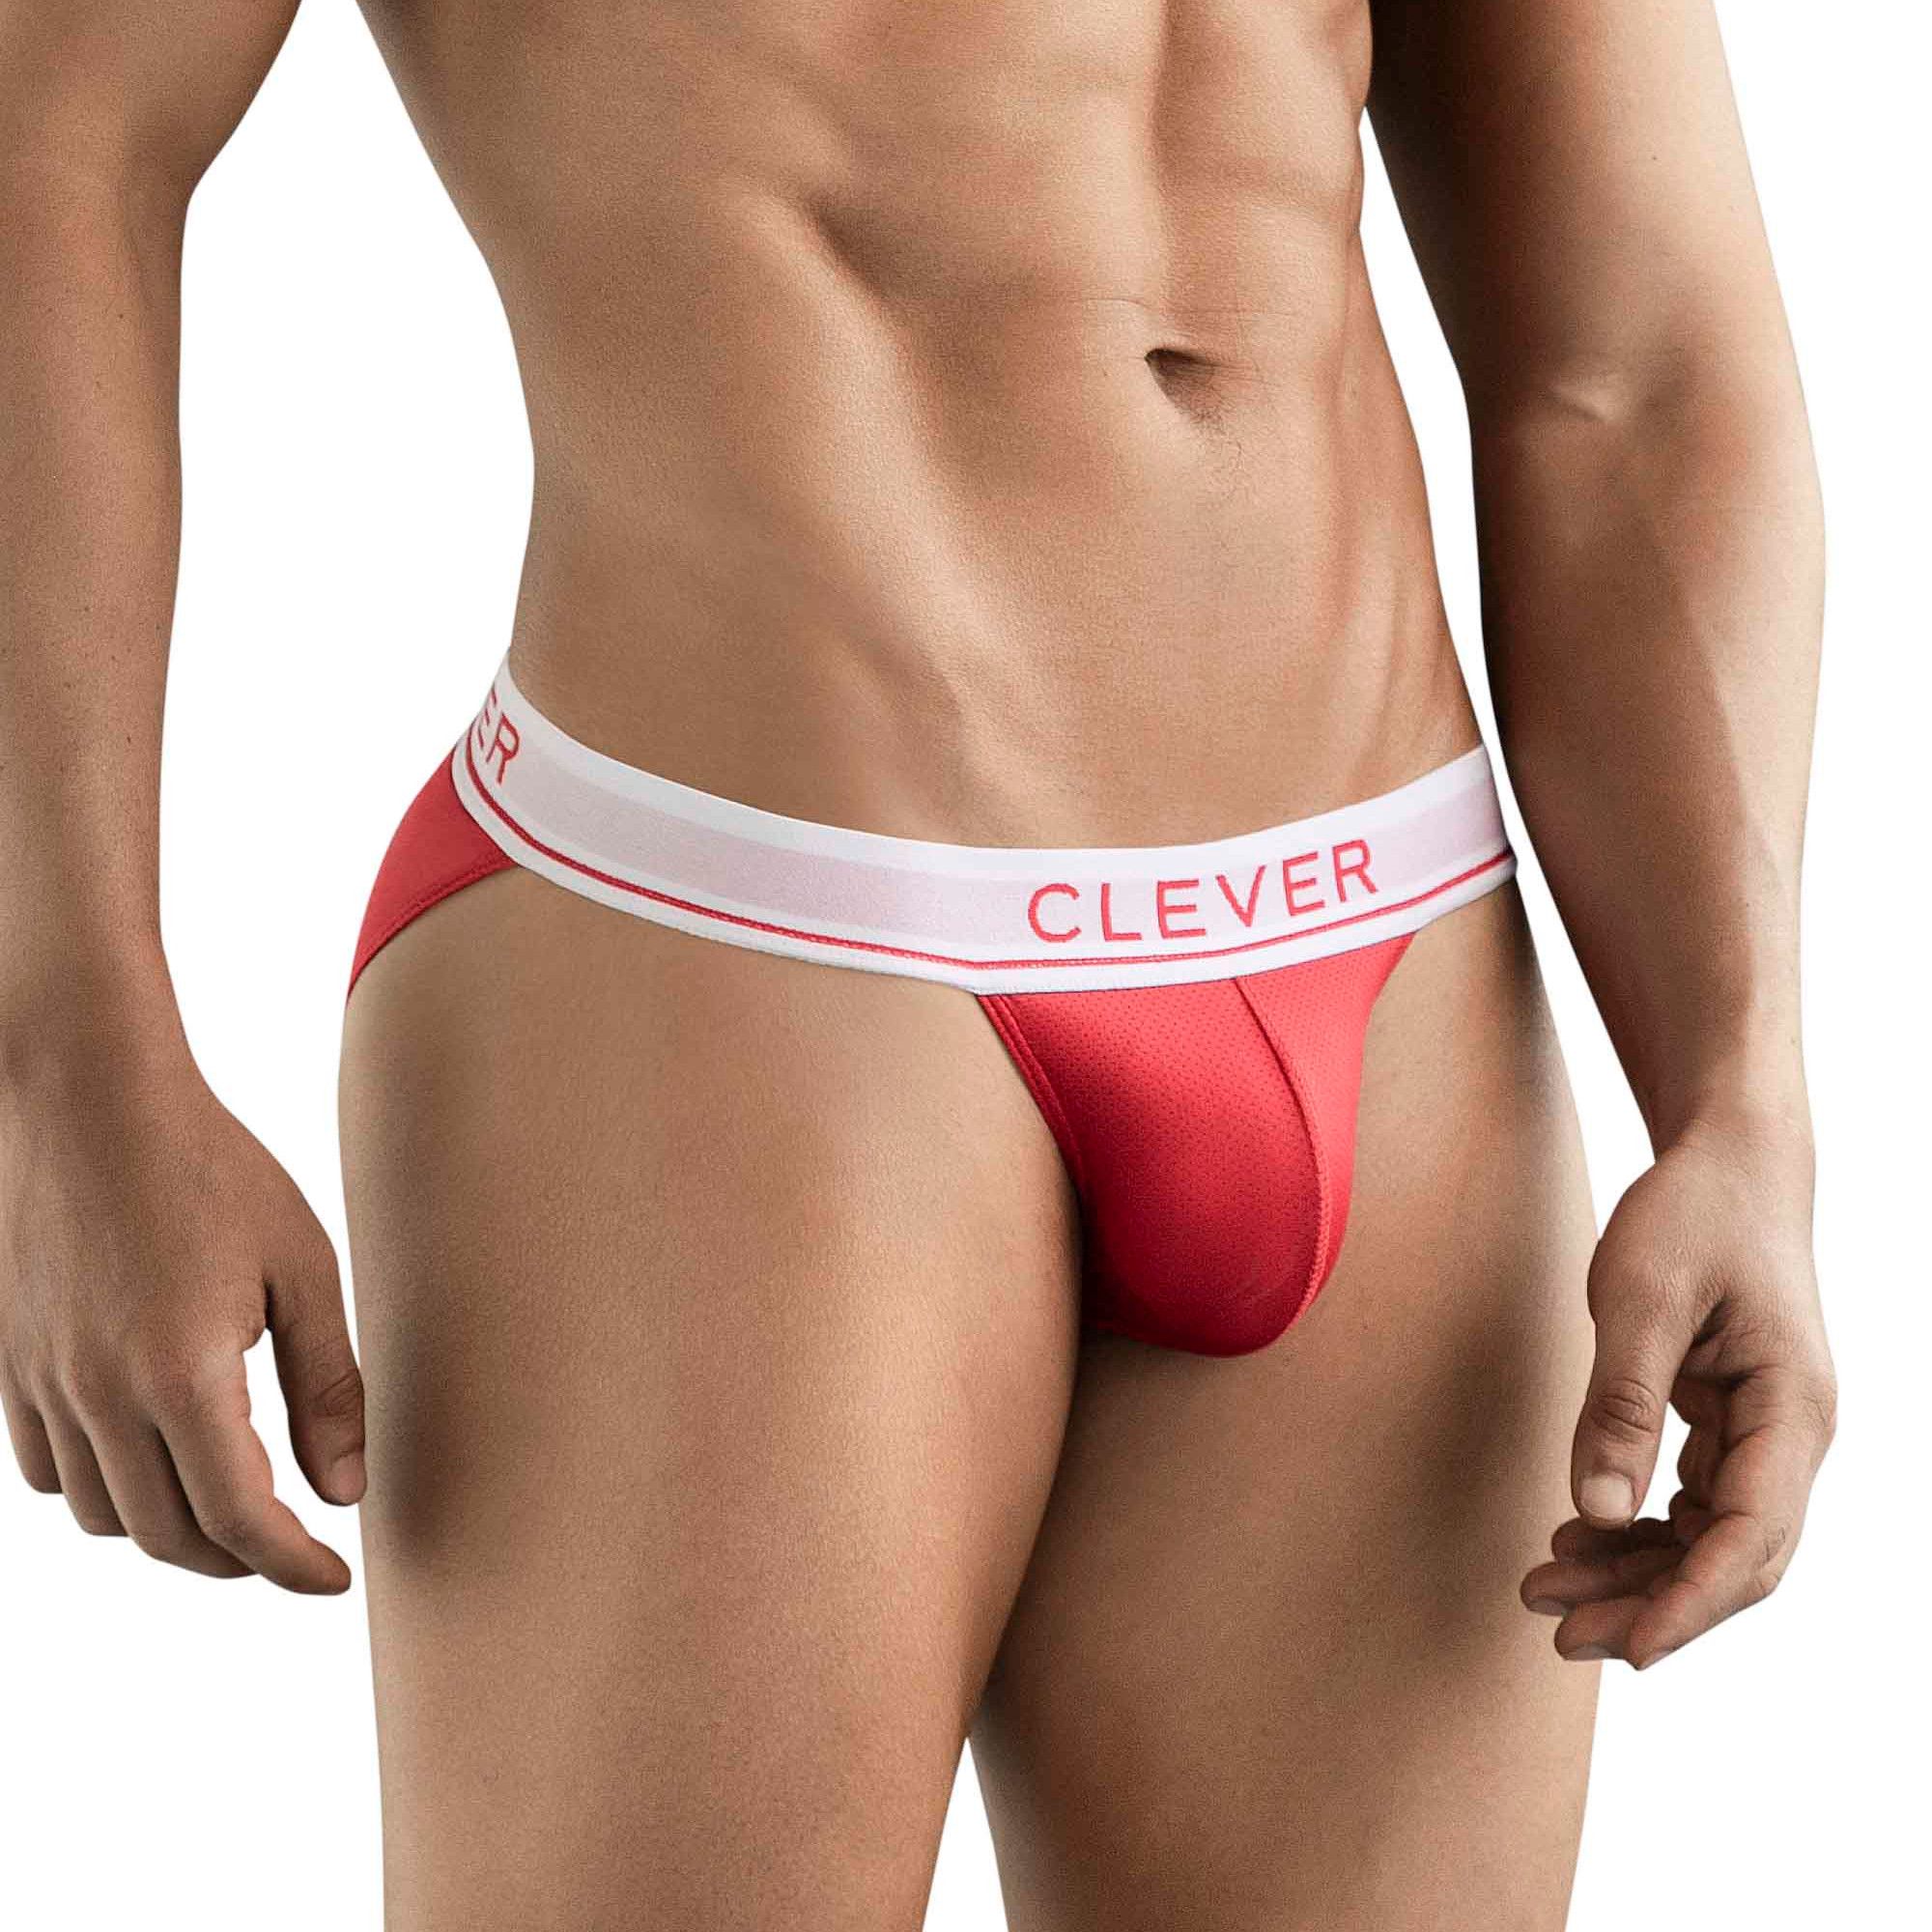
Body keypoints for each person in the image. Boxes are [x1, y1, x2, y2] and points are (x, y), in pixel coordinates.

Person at [0, 2, 1834, 1925]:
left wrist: (1740, 1090)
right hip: (735, 941)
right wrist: (68, 1053)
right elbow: (54, 139)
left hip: (1396, 958)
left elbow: (1629, 361)